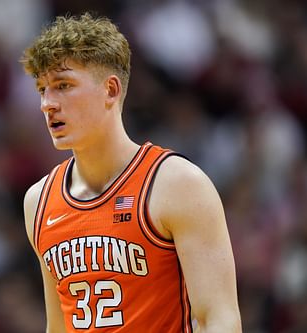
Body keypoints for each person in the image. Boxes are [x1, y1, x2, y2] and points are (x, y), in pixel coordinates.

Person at [21, 13, 241, 333]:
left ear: (110, 90)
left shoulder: (177, 184)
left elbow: (219, 319)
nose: (47, 103)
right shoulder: (38, 201)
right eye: (42, 89)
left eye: (63, 85)